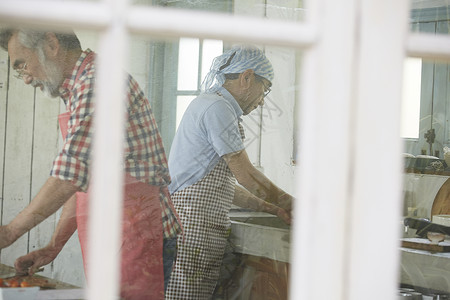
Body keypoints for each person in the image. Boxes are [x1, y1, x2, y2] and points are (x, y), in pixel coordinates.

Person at [0, 28, 181, 300]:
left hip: (140, 233)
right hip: (119, 233)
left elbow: (70, 174)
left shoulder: (97, 82)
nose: (25, 78)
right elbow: (84, 179)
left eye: (22, 64)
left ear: (51, 43)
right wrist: (53, 247)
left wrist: (9, 233)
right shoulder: (79, 87)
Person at [165, 45, 294, 299]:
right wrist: (291, 203)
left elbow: (222, 185)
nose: (263, 99)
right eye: (264, 88)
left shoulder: (212, 105)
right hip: (193, 228)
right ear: (247, 77)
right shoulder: (217, 108)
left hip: (195, 225)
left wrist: (270, 207)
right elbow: (246, 175)